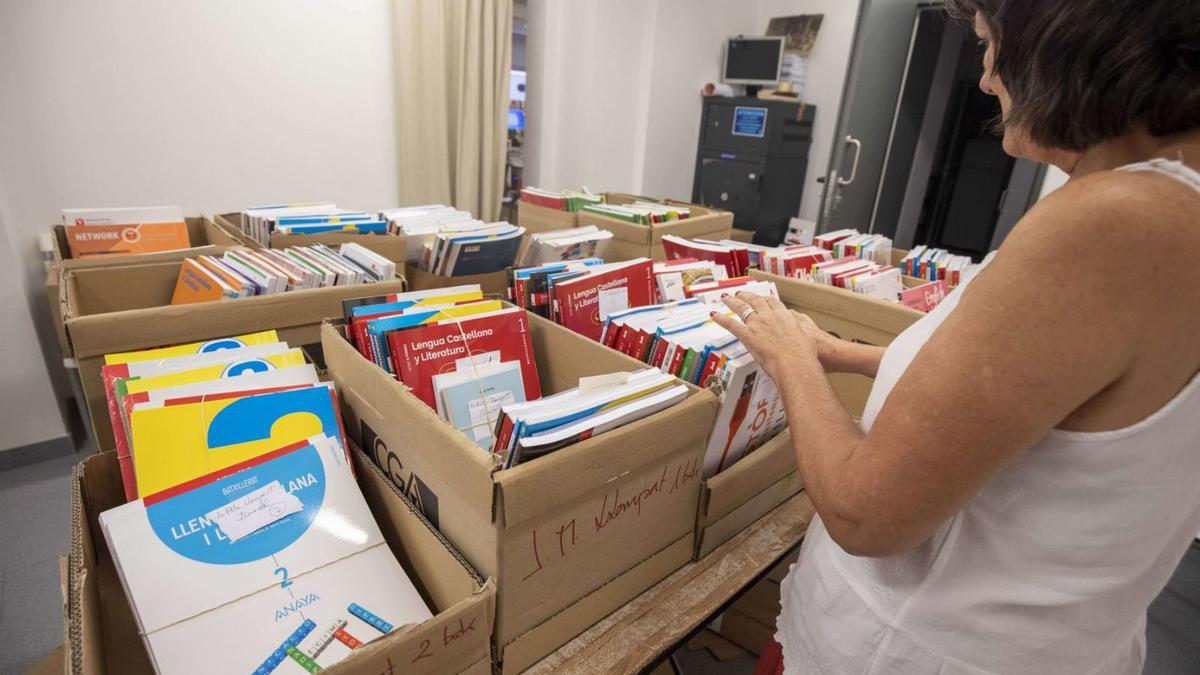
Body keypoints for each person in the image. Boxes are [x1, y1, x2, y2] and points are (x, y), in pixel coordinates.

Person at [712, 1, 1200, 672]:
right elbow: (1040, 402)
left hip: (926, 646)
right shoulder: (1176, 208)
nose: (986, 78)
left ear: (1058, 41)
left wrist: (793, 359)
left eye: (986, 44)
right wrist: (841, 350)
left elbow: (863, 513)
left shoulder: (1116, 223)